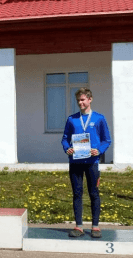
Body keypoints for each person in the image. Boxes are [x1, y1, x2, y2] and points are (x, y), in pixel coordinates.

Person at [61, 88, 111, 238]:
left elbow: (106, 140)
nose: (80, 103)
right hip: (75, 162)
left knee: (94, 193)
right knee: (77, 193)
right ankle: (79, 226)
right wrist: (67, 148)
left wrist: (99, 150)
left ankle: (95, 226)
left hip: (92, 162)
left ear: (90, 99)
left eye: (83, 100)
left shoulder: (99, 118)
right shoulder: (72, 119)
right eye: (78, 100)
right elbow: (65, 138)